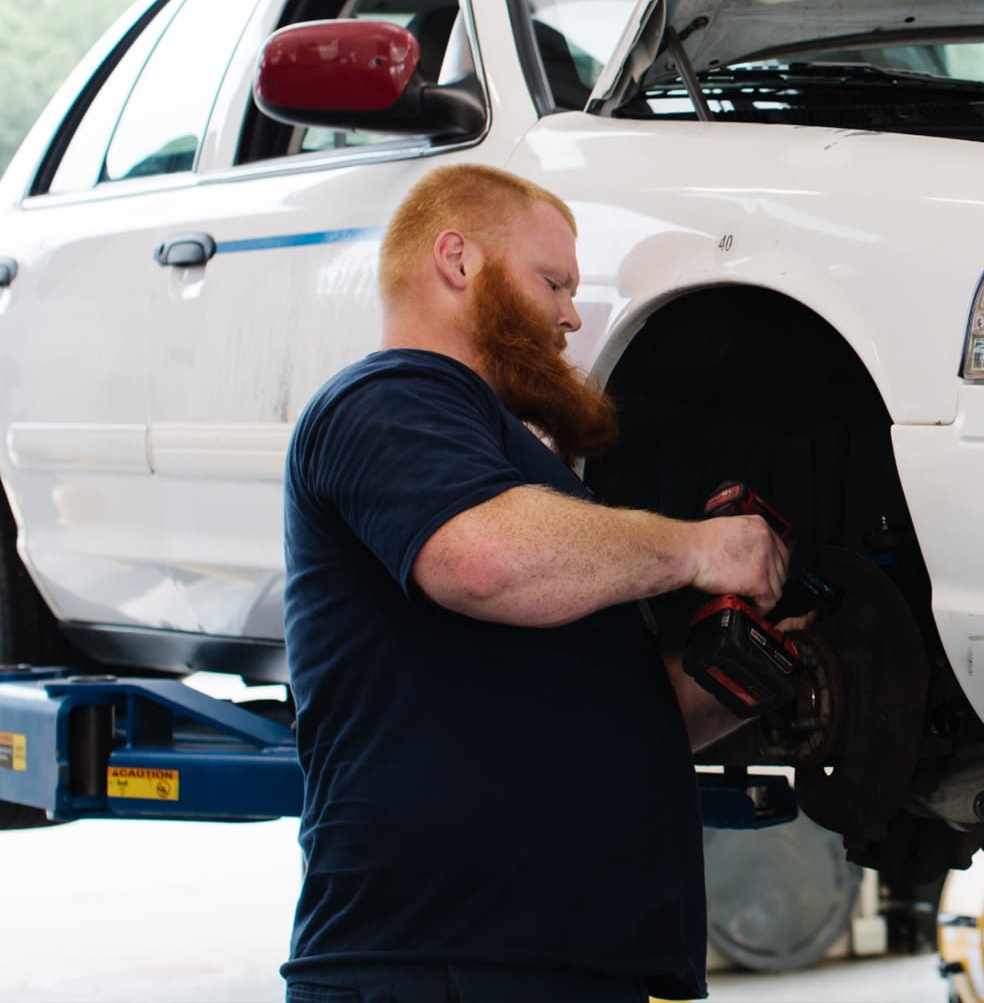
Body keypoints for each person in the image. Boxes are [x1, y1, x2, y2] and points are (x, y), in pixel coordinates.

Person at [280, 163, 789, 1003]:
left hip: (550, 958)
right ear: (458, 260)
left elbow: (604, 709)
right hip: (437, 957)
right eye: (551, 280)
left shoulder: (514, 471)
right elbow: (483, 564)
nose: (568, 314)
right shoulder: (383, 400)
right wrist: (697, 549)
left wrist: (742, 672)